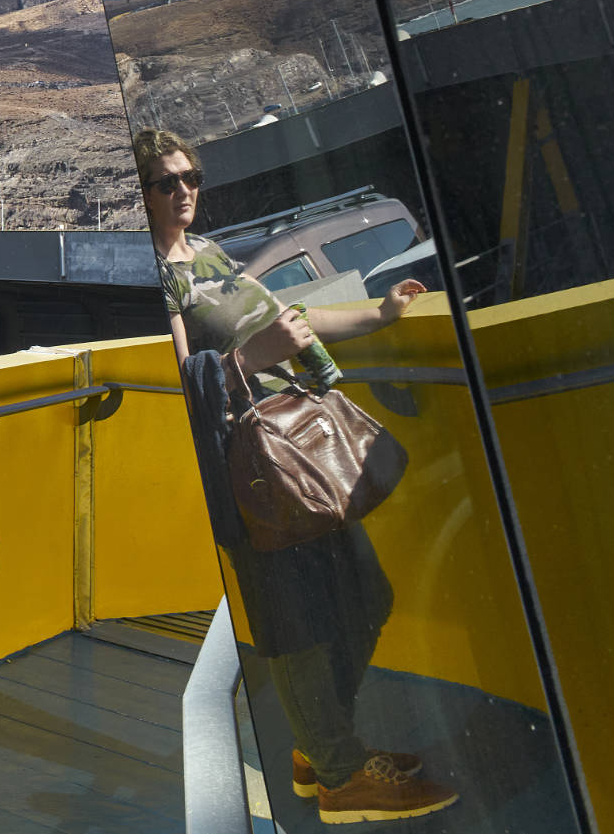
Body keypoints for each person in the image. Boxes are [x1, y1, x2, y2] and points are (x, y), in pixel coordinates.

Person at [135, 128, 457, 824]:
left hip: (298, 451)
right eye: (167, 182)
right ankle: (341, 775)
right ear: (142, 191)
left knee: (365, 598)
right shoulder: (157, 279)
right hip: (251, 475)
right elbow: (182, 386)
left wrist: (382, 311)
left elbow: (292, 321)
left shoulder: (209, 254)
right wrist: (251, 358)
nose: (185, 190)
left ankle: (323, 747)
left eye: (192, 176)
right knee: (299, 627)